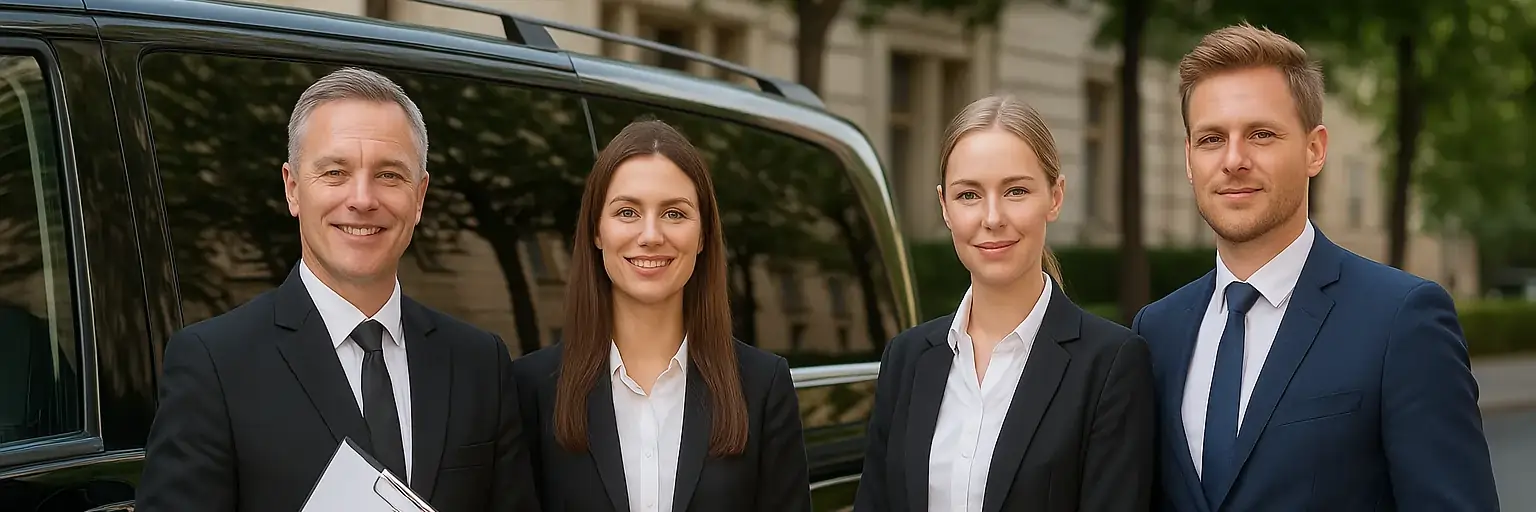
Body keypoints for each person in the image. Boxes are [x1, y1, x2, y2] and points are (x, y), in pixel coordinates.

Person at [136, 67, 539, 512]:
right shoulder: (214, 364)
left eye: (389, 175)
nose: (363, 199)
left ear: (420, 196)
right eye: (335, 172)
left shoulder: (479, 363)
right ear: (292, 189)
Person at [1133, 23, 1500, 512]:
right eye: (1211, 139)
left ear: (1315, 149)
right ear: (1188, 159)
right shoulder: (1156, 331)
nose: (1233, 159)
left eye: (1261, 134)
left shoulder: (1402, 321)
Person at [853, 95, 1155, 512]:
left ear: (1055, 196)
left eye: (1015, 191)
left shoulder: (1110, 363)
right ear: (945, 206)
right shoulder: (907, 358)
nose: (992, 217)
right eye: (969, 195)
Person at [510, 119, 812, 512]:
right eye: (627, 212)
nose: (651, 234)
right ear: (596, 231)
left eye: (674, 214)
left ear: (703, 235)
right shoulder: (532, 389)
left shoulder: (762, 387)